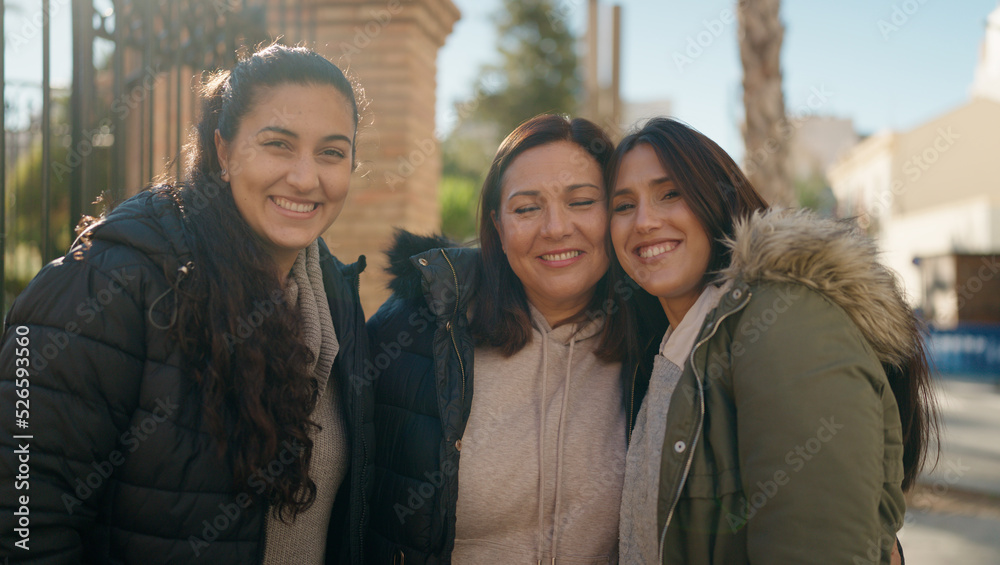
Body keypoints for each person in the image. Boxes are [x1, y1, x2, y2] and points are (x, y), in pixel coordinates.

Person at [0, 44, 372, 564]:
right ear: (223, 150)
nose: (306, 178)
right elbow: (22, 522)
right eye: (278, 144)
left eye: (331, 152)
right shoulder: (111, 285)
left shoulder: (336, 299)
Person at [606, 117, 937, 565]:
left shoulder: (783, 318)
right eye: (623, 206)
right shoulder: (672, 345)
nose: (644, 221)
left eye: (671, 194)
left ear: (715, 200)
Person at [363, 114, 662, 563]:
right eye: (526, 208)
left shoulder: (658, 343)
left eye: (581, 202)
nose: (556, 228)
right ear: (498, 228)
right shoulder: (414, 334)